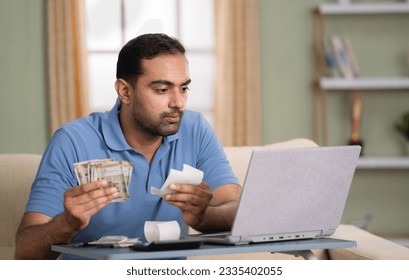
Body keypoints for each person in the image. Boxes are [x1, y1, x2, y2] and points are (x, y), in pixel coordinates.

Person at [15, 33, 241, 259]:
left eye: (183, 88)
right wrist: (66, 223)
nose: (178, 103)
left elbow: (238, 209)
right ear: (125, 91)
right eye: (163, 90)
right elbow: (24, 253)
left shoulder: (195, 130)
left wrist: (204, 217)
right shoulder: (72, 141)